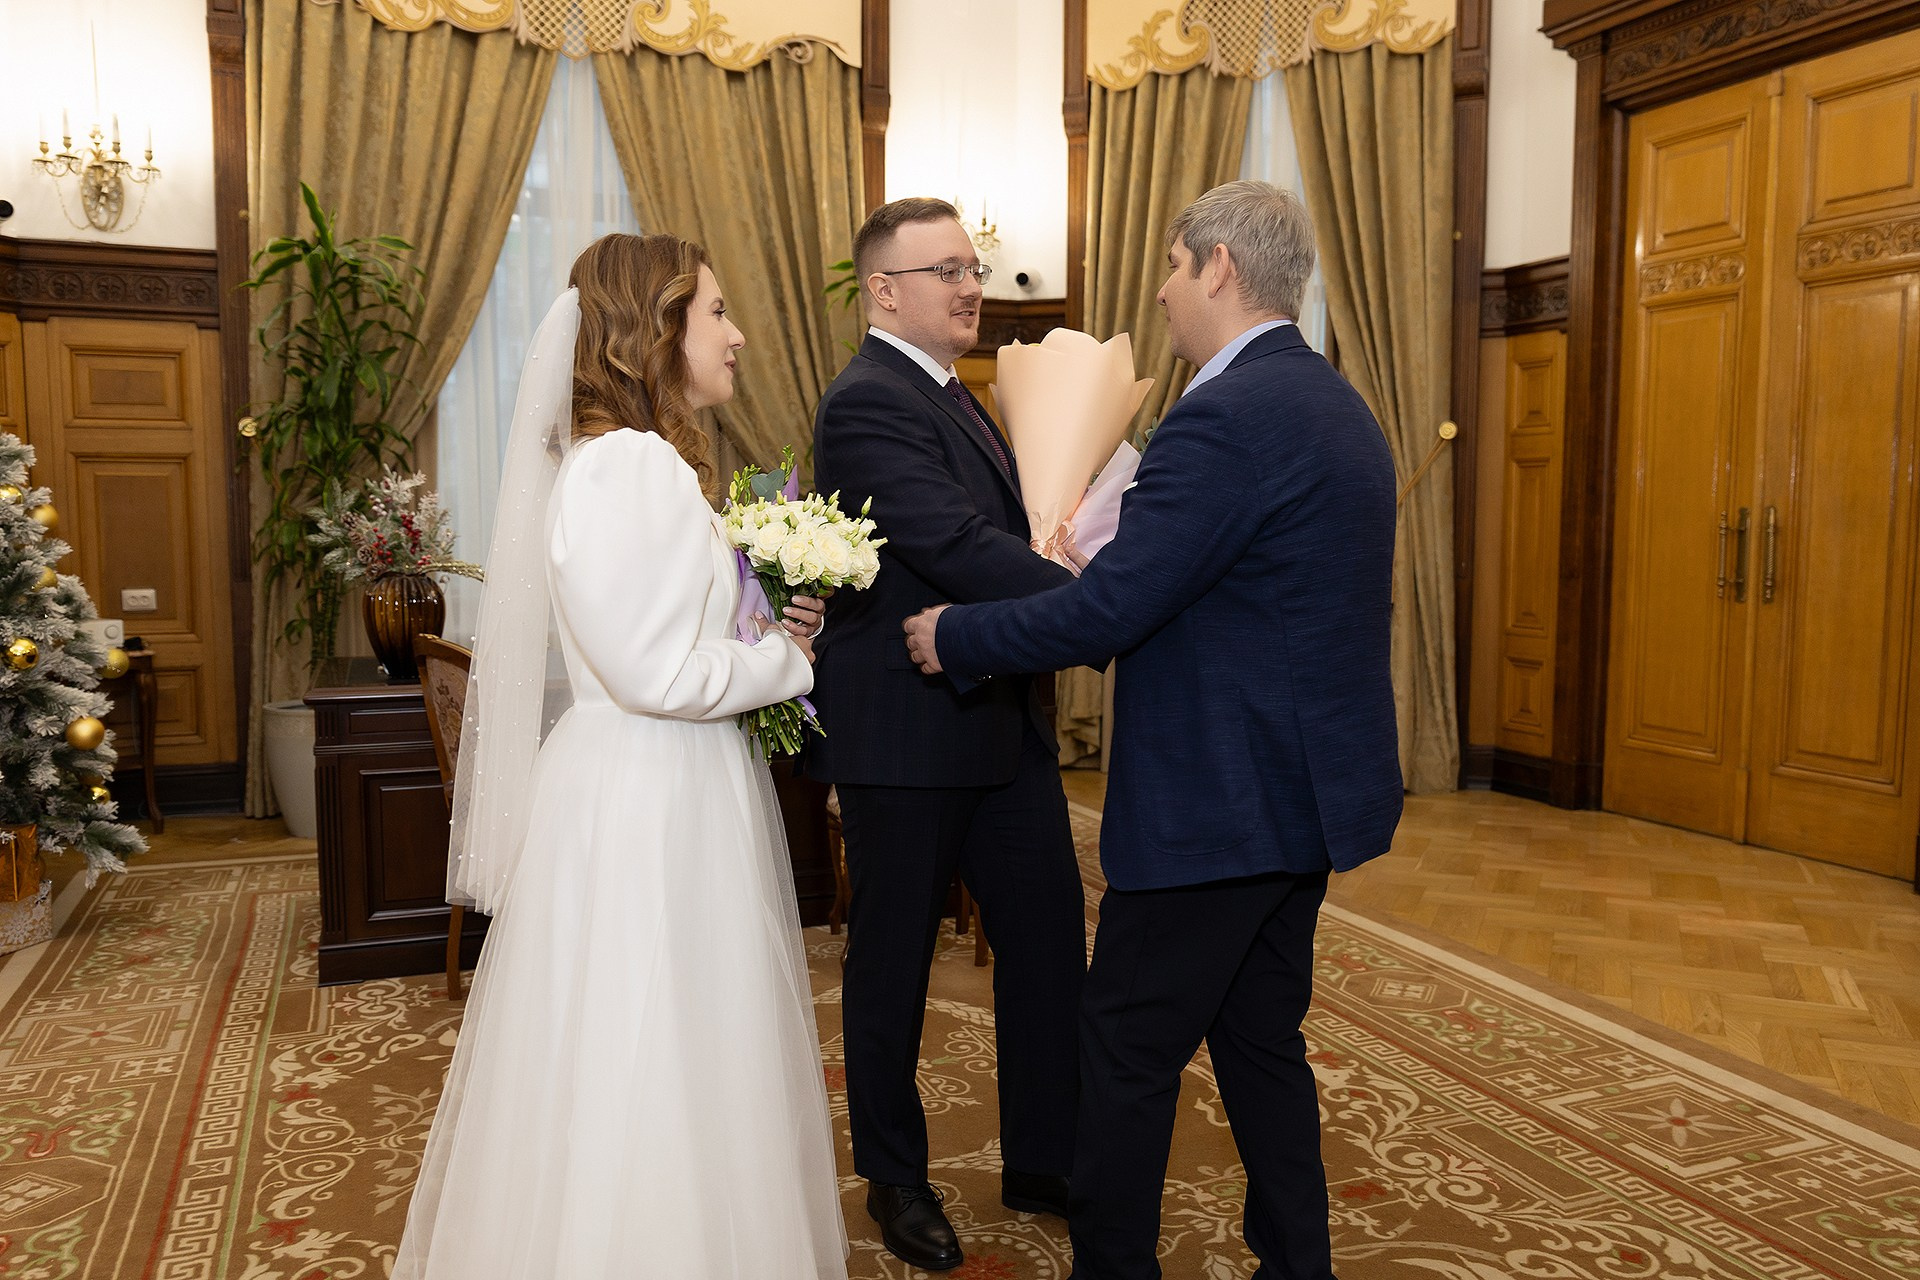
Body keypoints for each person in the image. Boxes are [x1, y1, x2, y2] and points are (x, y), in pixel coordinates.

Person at [902, 181, 1404, 1280]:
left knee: (1125, 1048)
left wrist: (958, 633)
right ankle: (1298, 1264)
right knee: (1260, 1040)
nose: (1166, 294)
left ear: (1218, 266)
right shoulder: (1335, 402)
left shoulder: (1225, 417)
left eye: (1175, 268)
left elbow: (1111, 612)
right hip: (1305, 797)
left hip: (1221, 806)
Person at [392, 233, 847, 1279]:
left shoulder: (633, 464)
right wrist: (785, 662)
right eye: (717, 312)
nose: (737, 335)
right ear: (657, 328)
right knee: (650, 1045)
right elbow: (654, 673)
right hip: (653, 789)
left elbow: (665, 636)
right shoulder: (628, 466)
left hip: (656, 778)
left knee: (667, 1044)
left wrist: (764, 627)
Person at [806, 198, 1088, 1271]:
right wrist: (1092, 600)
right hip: (908, 738)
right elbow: (956, 544)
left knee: (1049, 949)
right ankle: (896, 1178)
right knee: (892, 968)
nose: (973, 287)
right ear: (884, 291)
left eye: (974, 267)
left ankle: (1046, 1158)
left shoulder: (953, 391)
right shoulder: (865, 402)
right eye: (948, 271)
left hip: (1000, 727)